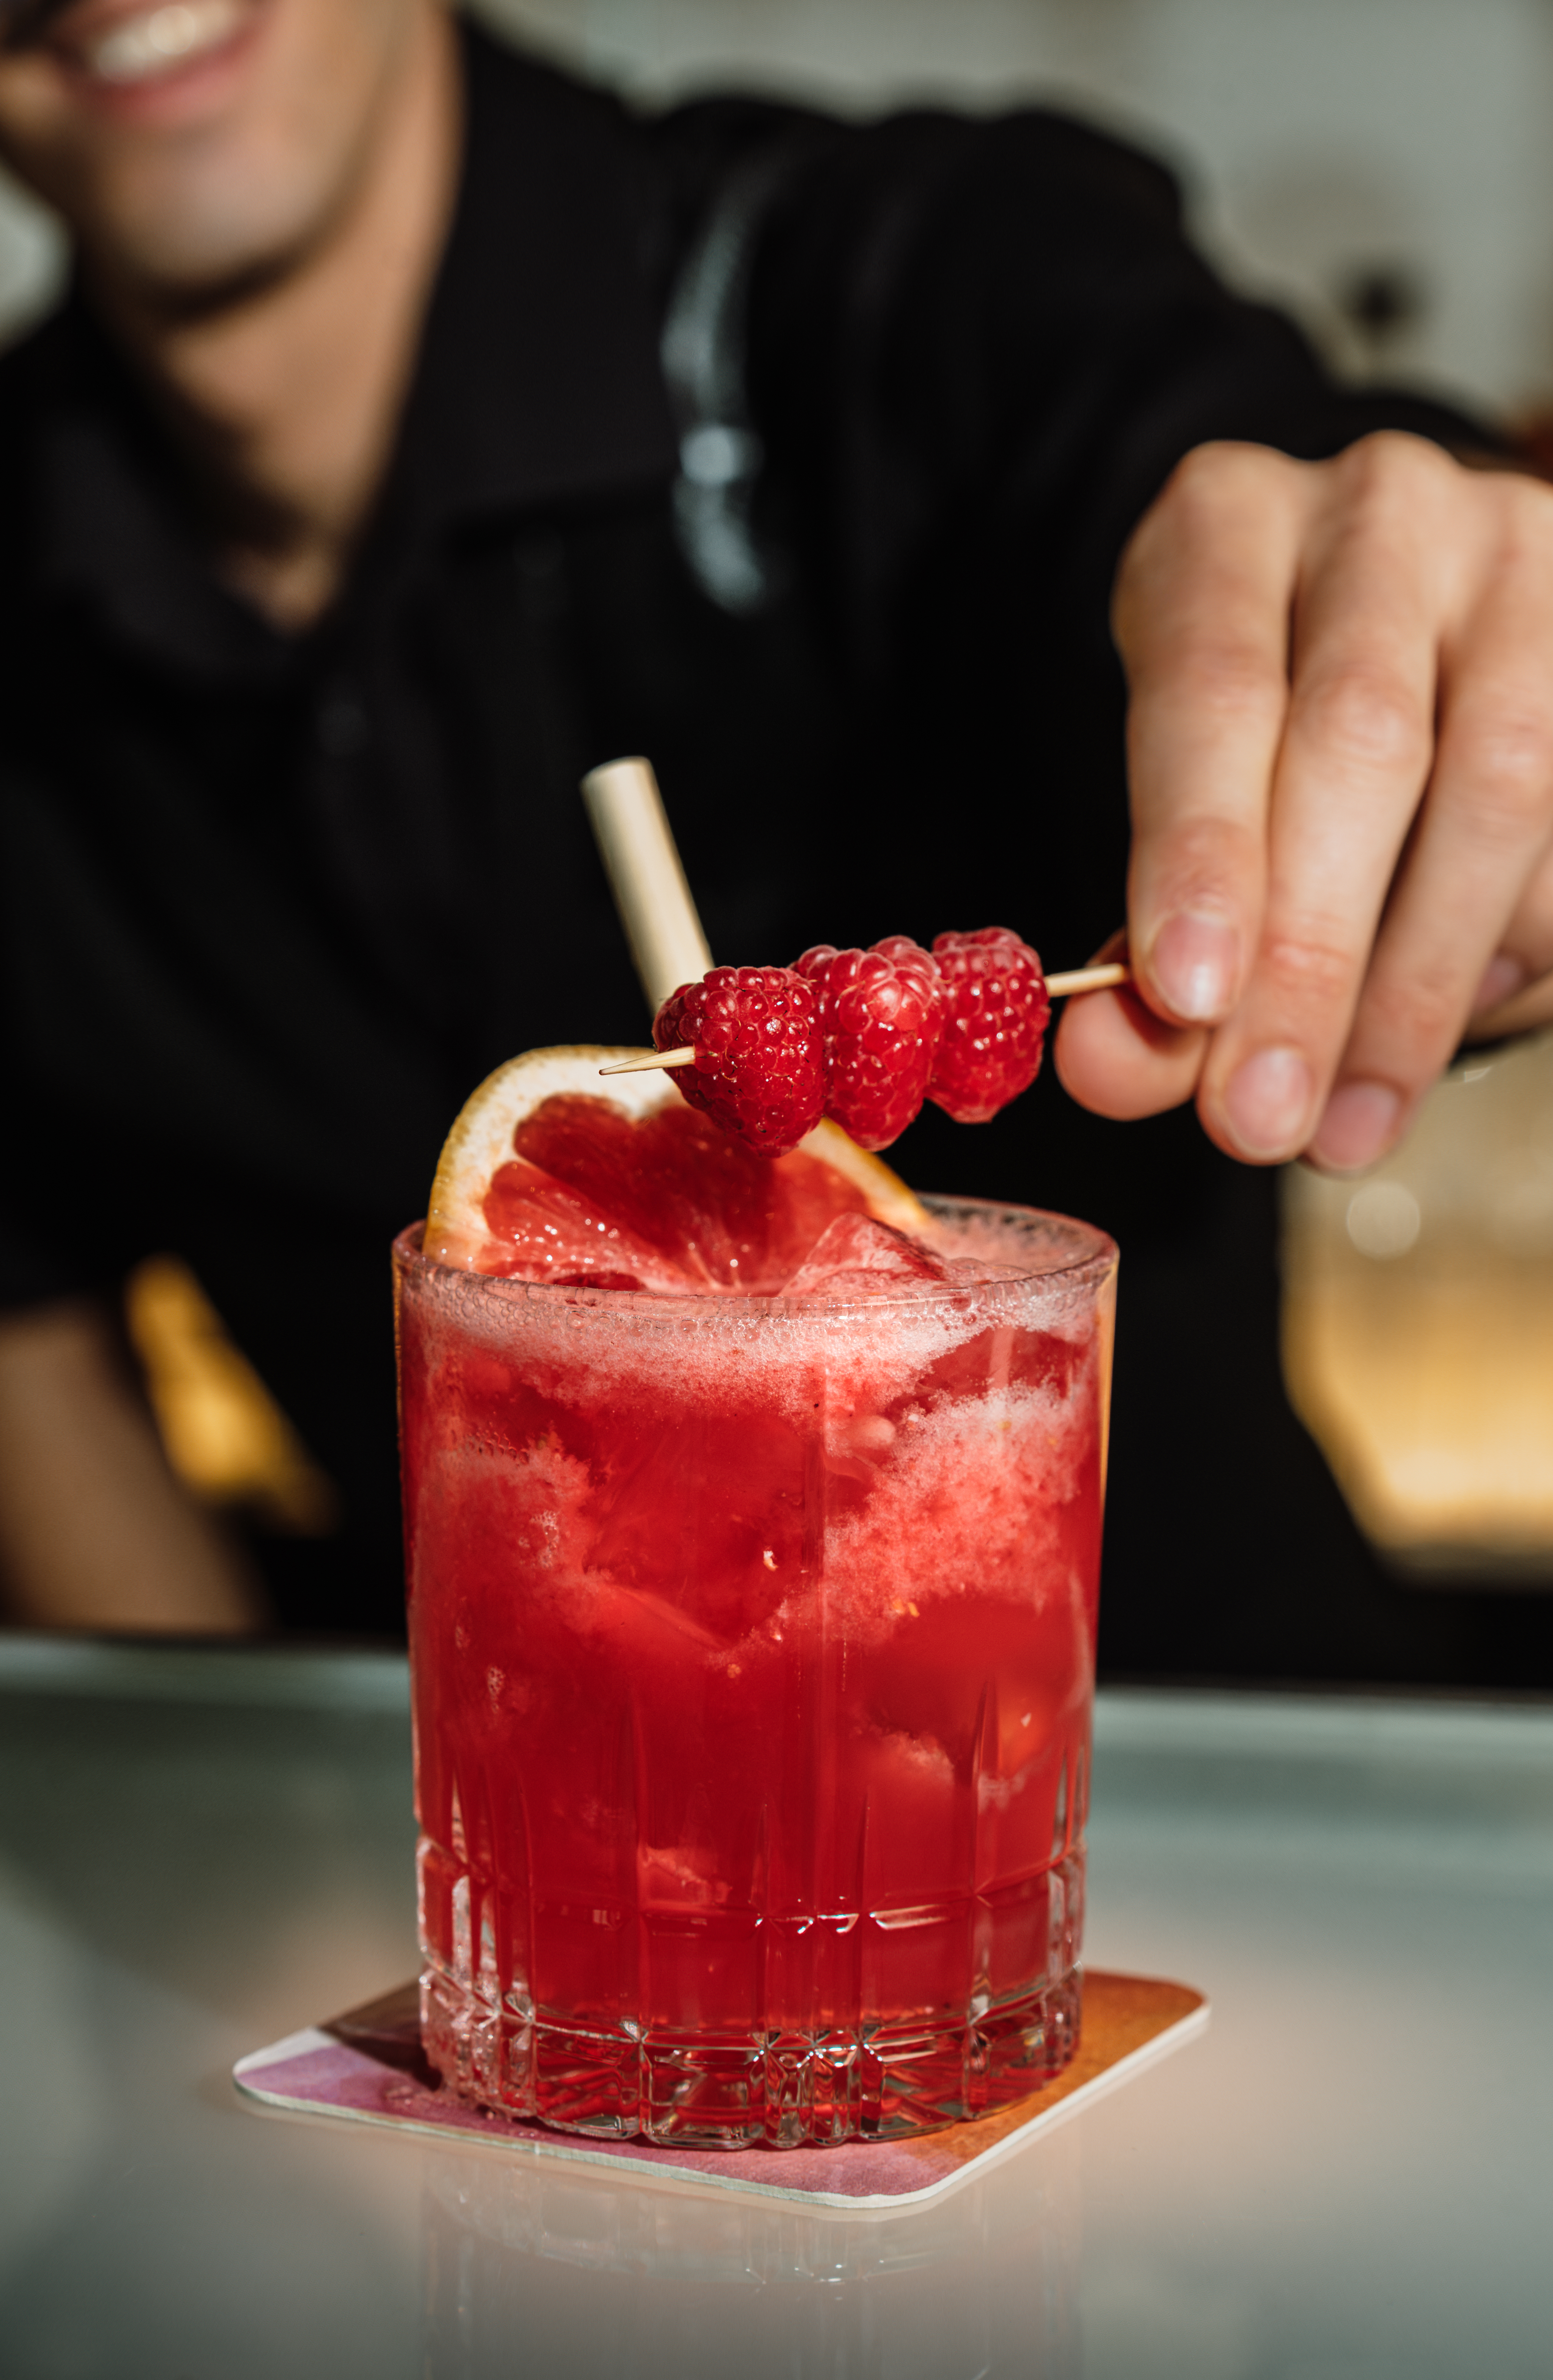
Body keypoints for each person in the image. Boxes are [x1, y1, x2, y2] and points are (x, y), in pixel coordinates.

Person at [1, 0, 1552, 1678]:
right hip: (564, 1855)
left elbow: (1219, 474)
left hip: (1222, 1781)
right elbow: (57, 1440)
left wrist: (1424, 639)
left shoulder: (887, 285)